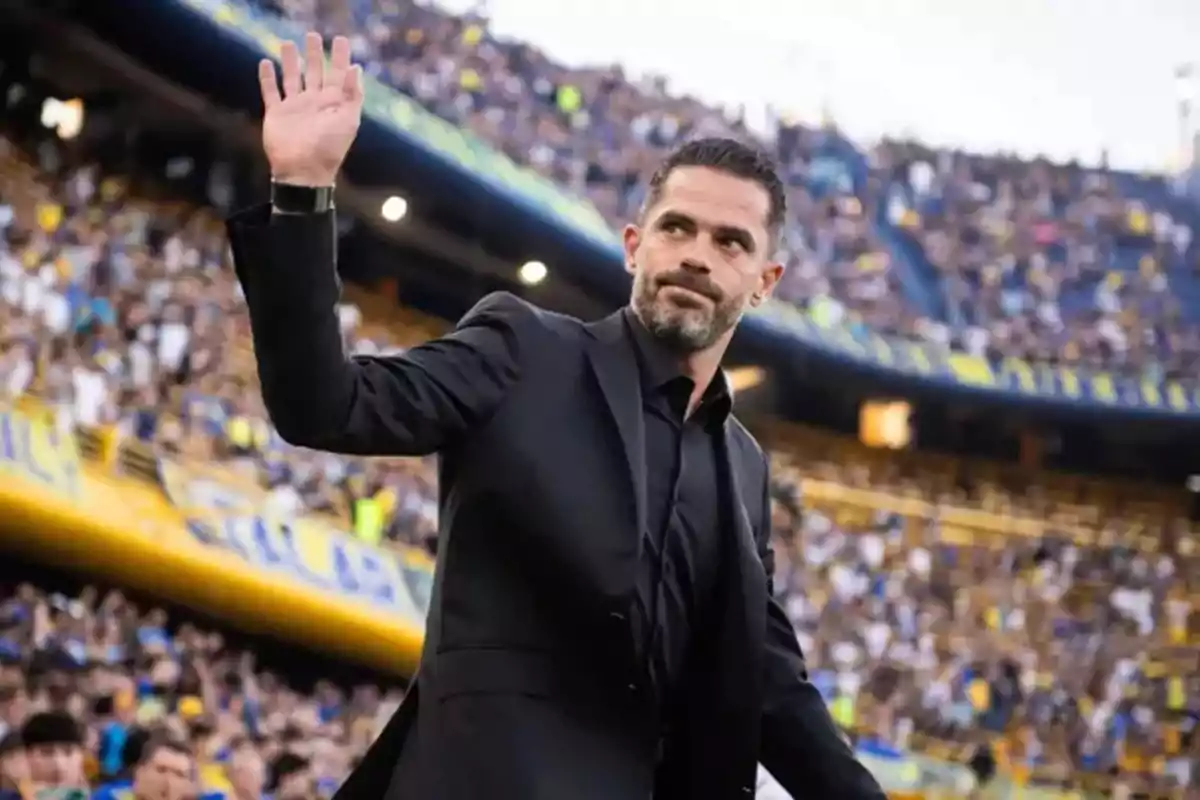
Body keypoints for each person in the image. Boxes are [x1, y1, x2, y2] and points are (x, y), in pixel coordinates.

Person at [227, 31, 886, 800]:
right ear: (635, 245)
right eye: (677, 228)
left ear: (764, 280)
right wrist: (304, 190)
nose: (696, 254)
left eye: (730, 241)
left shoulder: (743, 466)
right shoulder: (523, 350)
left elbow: (772, 683)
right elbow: (325, 406)